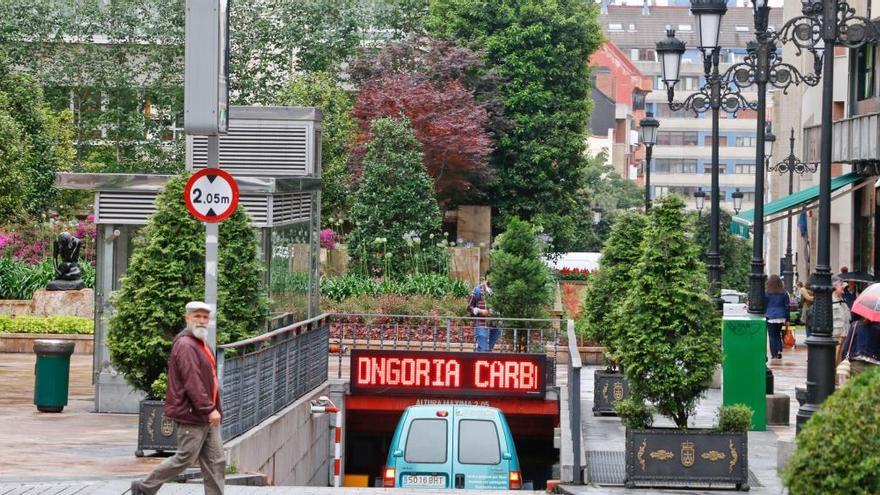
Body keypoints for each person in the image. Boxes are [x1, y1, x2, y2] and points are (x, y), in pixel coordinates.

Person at [131, 302, 225, 495]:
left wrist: (211, 409)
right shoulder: (186, 345)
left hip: (205, 415)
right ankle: (144, 487)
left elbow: (209, 380)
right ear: (187, 318)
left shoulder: (201, 343)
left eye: (204, 317)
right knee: (185, 458)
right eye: (196, 316)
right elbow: (193, 383)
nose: (201, 321)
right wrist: (209, 408)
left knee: (216, 461)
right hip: (193, 414)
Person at [468, 278, 499, 352]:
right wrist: (480, 311)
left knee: (487, 350)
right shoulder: (478, 290)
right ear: (486, 278)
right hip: (481, 324)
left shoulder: (498, 291)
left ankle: (476, 360)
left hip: (495, 325)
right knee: (483, 350)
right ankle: (476, 360)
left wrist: (495, 312)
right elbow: (469, 307)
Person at [765, 275, 789, 360]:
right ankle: (779, 350)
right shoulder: (784, 293)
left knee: (772, 336)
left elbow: (764, 304)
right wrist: (787, 319)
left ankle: (774, 354)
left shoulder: (767, 292)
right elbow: (787, 306)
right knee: (778, 334)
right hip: (781, 316)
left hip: (770, 315)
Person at [832, 275, 852, 361]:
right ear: (835, 286)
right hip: (836, 335)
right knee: (835, 356)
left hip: (844, 333)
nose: (844, 287)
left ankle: (837, 372)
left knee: (840, 357)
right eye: (841, 285)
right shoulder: (830, 300)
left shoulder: (842, 299)